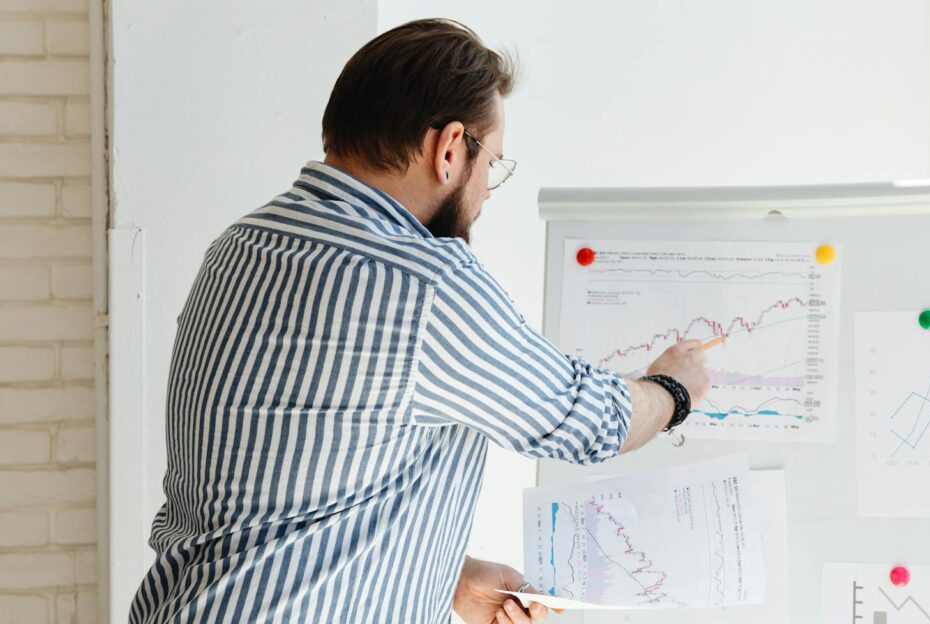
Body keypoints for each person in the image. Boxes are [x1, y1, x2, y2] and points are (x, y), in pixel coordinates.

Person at [128, 18, 710, 624]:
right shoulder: (425, 282)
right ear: (451, 147)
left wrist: (440, 575)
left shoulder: (240, 246)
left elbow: (279, 495)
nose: (486, 191)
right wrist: (673, 388)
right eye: (494, 165)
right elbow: (589, 424)